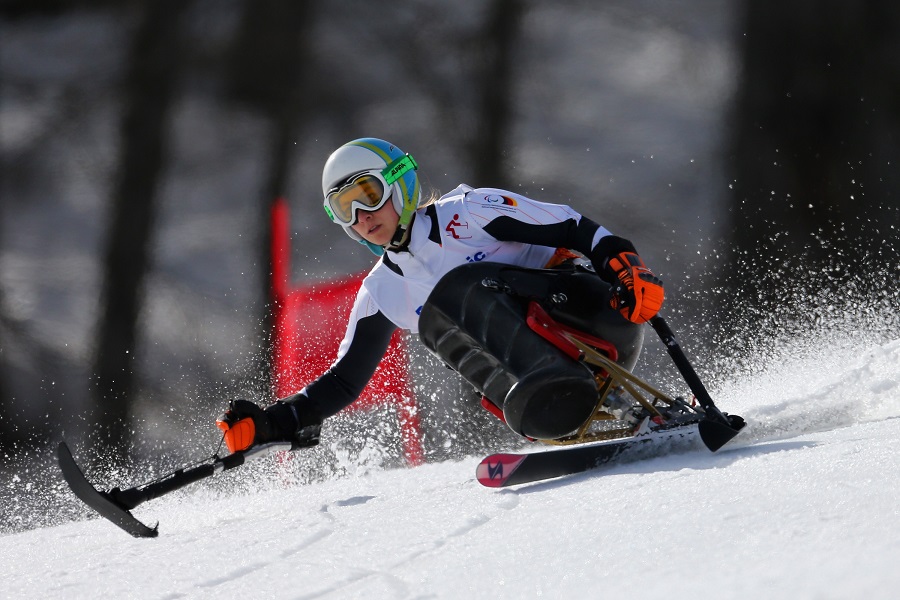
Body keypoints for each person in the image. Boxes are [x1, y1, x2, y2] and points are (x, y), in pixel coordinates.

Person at [217, 138, 665, 451]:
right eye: (344, 209)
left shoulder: (468, 213)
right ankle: (555, 410)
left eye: (368, 195)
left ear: (398, 182)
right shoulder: (382, 290)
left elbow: (573, 226)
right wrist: (272, 423)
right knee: (442, 319)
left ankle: (588, 394)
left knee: (454, 294)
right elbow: (343, 381)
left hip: (595, 319)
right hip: (534, 391)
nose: (361, 216)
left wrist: (627, 267)